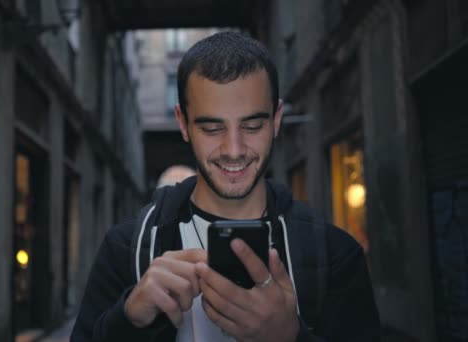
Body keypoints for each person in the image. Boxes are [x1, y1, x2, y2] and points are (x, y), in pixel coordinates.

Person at [70, 31, 380, 341]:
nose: (233, 149)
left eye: (252, 125)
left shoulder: (333, 254)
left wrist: (291, 337)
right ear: (183, 124)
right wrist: (127, 320)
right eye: (212, 127)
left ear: (276, 120)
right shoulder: (128, 249)